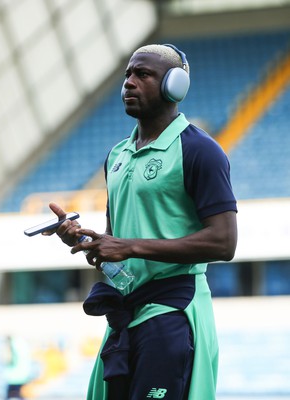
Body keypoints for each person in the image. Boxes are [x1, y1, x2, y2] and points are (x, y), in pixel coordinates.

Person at [46, 44, 238, 400]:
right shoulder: (116, 155)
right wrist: (87, 241)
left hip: (172, 310)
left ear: (174, 85)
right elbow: (116, 241)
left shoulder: (200, 151)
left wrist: (128, 246)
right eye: (127, 75)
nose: (129, 83)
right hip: (125, 313)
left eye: (143, 74)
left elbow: (224, 243)